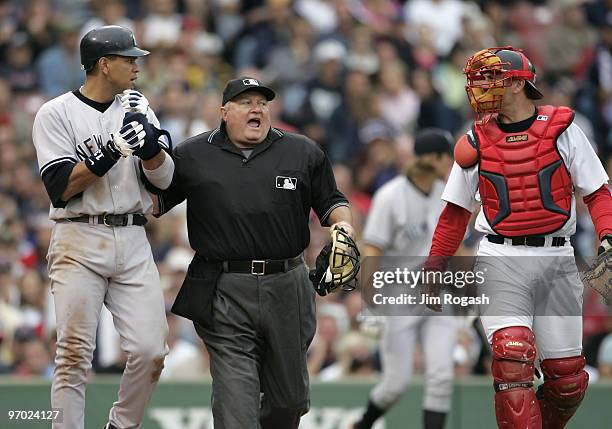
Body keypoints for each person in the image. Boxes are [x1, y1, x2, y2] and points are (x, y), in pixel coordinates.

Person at [146, 76, 356, 429]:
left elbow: (332, 201)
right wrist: (147, 158)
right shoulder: (193, 154)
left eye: (262, 102)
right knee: (235, 405)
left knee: (289, 401)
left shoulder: (302, 152)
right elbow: (155, 202)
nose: (256, 108)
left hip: (288, 284)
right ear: (224, 112)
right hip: (224, 286)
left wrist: (344, 226)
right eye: (246, 102)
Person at [426, 46, 612, 428]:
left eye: (489, 77)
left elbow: (597, 190)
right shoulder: (475, 140)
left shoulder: (563, 130)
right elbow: (455, 212)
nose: (478, 87)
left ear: (516, 83)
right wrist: (435, 264)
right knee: (512, 356)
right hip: (500, 257)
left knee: (567, 381)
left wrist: (607, 235)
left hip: (558, 257)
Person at [31, 25, 175, 429]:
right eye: (129, 59)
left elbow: (165, 181)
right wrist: (111, 150)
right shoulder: (55, 112)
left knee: (151, 350)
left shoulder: (139, 106)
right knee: (74, 353)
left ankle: (122, 425)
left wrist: (150, 152)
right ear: (103, 64)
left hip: (131, 234)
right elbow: (60, 188)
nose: (136, 65)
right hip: (79, 235)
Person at [353, 129, 458, 429]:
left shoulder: (447, 193)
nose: (450, 163)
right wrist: (370, 296)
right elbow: (372, 247)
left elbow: (457, 245)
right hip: (400, 295)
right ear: (435, 158)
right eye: (446, 157)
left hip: (438, 294)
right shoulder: (391, 195)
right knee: (395, 384)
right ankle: (362, 425)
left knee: (441, 376)